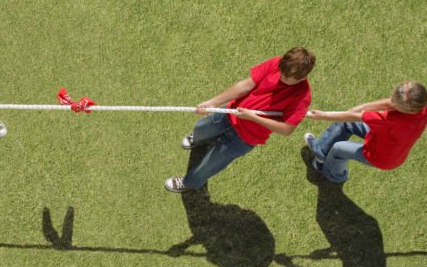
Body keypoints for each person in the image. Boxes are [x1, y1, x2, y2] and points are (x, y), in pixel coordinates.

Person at [165, 47, 315, 193]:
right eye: (281, 72)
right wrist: (213, 102)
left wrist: (252, 117)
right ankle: (197, 140)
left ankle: (187, 183)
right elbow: (246, 84)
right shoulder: (277, 64)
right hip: (228, 114)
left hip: (244, 139)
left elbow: (286, 129)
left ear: (302, 78)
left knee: (209, 165)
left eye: (286, 77)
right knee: (201, 128)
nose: (281, 77)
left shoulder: (302, 97)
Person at [304, 80, 427, 183]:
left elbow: (352, 117)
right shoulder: (421, 107)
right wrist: (360, 108)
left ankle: (335, 175)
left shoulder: (389, 121)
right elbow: (390, 103)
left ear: (408, 109)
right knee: (346, 124)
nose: (391, 102)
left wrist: (322, 115)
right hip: (385, 140)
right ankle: (320, 152)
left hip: (380, 157)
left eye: (395, 103)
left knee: (338, 148)